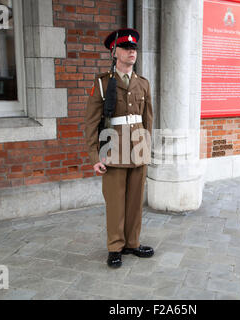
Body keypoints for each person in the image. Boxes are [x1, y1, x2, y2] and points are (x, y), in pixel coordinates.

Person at [84, 28, 154, 268]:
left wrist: (146, 148)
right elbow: (91, 123)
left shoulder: (142, 83)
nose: (131, 52)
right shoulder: (103, 84)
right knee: (115, 202)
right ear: (114, 52)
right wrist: (95, 156)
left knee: (135, 201)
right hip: (113, 151)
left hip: (138, 151)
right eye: (126, 48)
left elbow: (148, 120)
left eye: (134, 48)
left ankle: (132, 243)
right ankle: (115, 247)